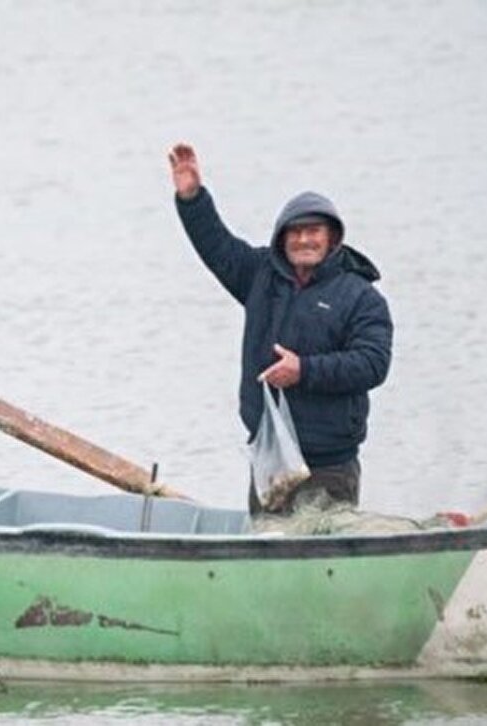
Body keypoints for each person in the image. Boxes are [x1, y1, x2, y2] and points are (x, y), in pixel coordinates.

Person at [168, 143, 393, 515]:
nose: (304, 240)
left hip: (329, 465)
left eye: (314, 231)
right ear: (282, 238)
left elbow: (372, 364)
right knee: (267, 554)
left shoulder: (361, 296)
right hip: (270, 459)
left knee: (323, 562)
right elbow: (217, 247)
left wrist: (303, 370)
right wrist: (191, 197)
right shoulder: (260, 276)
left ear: (333, 238)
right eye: (296, 232)